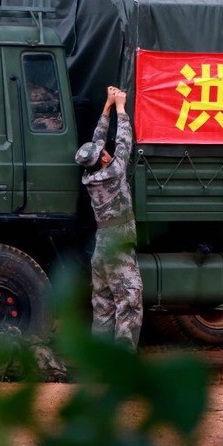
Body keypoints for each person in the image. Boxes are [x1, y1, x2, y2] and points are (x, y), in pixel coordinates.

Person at [74, 86, 142, 351]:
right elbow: (125, 142)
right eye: (103, 153)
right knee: (129, 301)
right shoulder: (113, 173)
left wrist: (107, 106)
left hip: (102, 247)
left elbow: (97, 141)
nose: (106, 151)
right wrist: (122, 107)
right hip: (118, 246)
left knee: (103, 306)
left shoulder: (90, 176)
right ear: (102, 159)